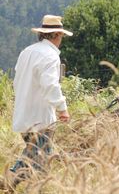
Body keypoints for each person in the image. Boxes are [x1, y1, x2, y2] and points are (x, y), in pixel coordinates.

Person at [3, 15, 72, 191]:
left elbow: (17, 80)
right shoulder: (50, 56)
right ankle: (9, 181)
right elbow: (50, 85)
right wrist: (62, 108)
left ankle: (11, 182)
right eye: (61, 36)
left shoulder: (27, 52)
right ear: (56, 34)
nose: (61, 40)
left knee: (35, 158)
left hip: (24, 115)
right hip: (39, 118)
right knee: (40, 164)